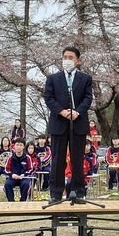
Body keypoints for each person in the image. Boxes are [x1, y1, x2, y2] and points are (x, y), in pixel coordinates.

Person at [44, 46, 92, 204]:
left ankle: (78, 191)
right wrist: (61, 111)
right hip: (59, 123)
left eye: (71, 57)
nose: (67, 60)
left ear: (78, 60)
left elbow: (87, 98)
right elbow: (49, 98)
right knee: (58, 159)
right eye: (65, 57)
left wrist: (77, 112)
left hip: (78, 123)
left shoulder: (85, 79)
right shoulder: (53, 78)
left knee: (78, 159)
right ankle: (56, 193)